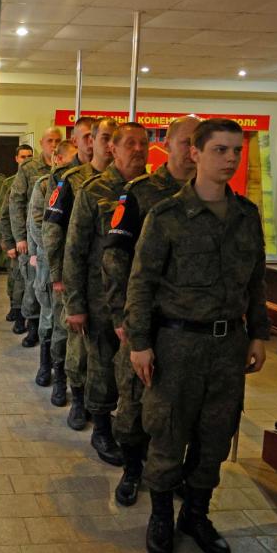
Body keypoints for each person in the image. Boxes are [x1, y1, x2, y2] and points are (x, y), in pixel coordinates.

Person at [125, 119, 269, 553]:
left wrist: (259, 334)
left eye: (235, 151)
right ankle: (162, 517)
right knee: (168, 434)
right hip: (176, 345)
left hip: (228, 347)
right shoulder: (166, 215)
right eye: (220, 150)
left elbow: (256, 282)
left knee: (215, 438)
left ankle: (197, 513)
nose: (229, 159)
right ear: (196, 154)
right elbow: (141, 282)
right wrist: (139, 342)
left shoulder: (246, 216)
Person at [101, 115, 200, 506]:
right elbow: (115, 259)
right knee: (133, 405)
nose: (191, 151)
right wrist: (125, 317)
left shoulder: (211, 197)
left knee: (178, 410)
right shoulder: (138, 193)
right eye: (185, 142)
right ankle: (131, 470)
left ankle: (169, 475)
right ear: (170, 143)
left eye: (198, 144)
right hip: (145, 321)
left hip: (188, 329)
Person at [61, 121, 144, 467]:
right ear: (113, 149)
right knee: (102, 367)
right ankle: (102, 427)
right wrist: (75, 305)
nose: (138, 151)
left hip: (140, 301)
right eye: (130, 144)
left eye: (144, 144)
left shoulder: (153, 192)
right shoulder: (93, 191)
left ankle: (135, 432)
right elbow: (75, 251)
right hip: (99, 300)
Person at [38, 117, 98, 410]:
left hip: (100, 275)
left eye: (94, 136)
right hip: (70, 270)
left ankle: (92, 397)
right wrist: (57, 272)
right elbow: (52, 227)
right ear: (77, 141)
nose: (90, 141)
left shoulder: (120, 179)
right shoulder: (65, 177)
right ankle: (62, 379)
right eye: (85, 136)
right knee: (64, 330)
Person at [28, 141, 78, 400]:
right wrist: (46, 255)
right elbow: (38, 223)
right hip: (50, 261)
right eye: (70, 161)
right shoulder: (44, 185)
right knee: (50, 316)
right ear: (57, 159)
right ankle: (48, 365)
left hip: (75, 264)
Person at [9, 127, 63, 347]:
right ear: (42, 142)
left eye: (58, 140)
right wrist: (20, 237)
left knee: (51, 289)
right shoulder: (29, 169)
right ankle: (32, 328)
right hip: (32, 239)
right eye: (50, 140)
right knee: (33, 285)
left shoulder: (65, 168)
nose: (53, 144)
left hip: (54, 240)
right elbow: (16, 202)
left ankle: (49, 333)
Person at [0, 145, 33, 327]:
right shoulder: (10, 183)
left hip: (32, 239)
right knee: (17, 278)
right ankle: (17, 310)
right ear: (16, 159)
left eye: (29, 156)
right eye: (23, 156)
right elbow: (3, 214)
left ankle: (26, 314)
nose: (26, 160)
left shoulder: (40, 179)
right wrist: (8, 241)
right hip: (17, 239)